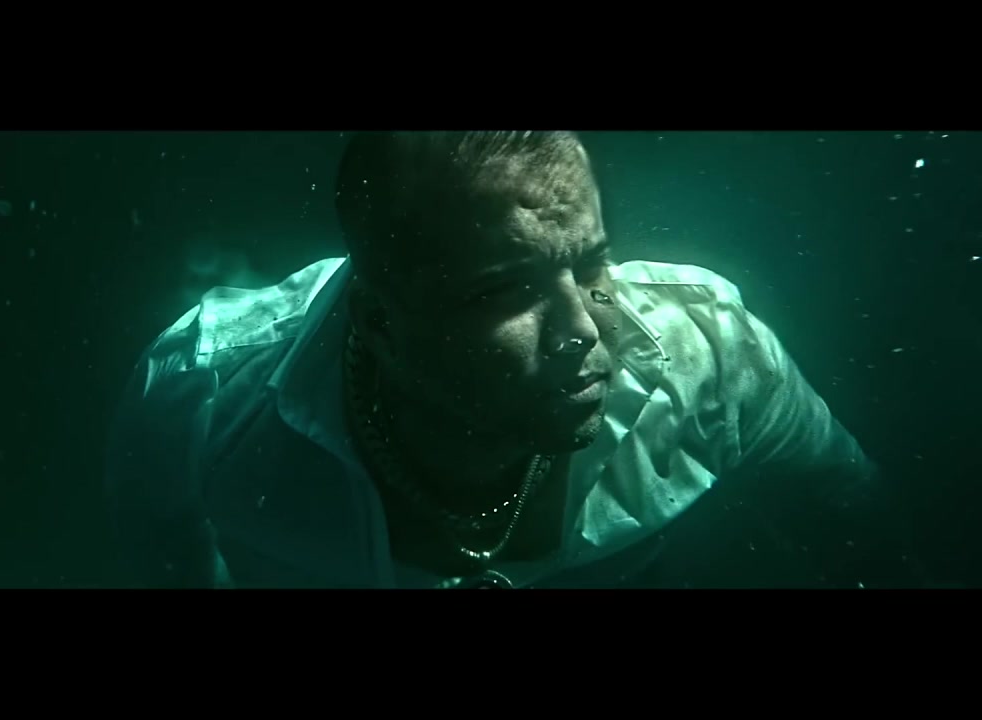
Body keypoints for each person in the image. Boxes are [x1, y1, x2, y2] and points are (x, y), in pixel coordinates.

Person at [105, 131, 927, 589]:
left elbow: (860, 532)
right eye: (503, 291)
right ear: (379, 322)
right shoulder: (205, 386)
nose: (583, 329)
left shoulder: (710, 353)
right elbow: (160, 551)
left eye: (593, 264)